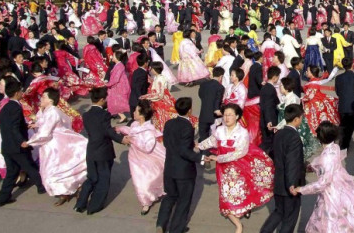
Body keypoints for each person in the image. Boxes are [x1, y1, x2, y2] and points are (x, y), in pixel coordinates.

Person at [293, 122, 354, 233]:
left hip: (330, 194)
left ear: (320, 137)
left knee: (329, 222)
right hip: (341, 188)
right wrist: (314, 167)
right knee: (341, 220)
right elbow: (331, 166)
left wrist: (301, 189)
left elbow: (322, 184)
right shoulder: (335, 147)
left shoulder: (326, 157)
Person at [200, 103, 275, 232]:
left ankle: (243, 213)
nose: (227, 117)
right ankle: (238, 224)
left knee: (241, 192)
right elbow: (211, 141)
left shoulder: (242, 133)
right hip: (222, 170)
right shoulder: (219, 130)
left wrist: (218, 158)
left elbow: (240, 152)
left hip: (238, 168)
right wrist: (198, 146)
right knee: (225, 197)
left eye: (230, 115)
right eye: (225, 115)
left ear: (237, 116)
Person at [26, 87, 88, 206]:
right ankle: (65, 192)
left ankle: (69, 190)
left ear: (50, 100)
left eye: (44, 97)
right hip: (52, 144)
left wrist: (29, 142)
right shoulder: (47, 110)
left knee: (54, 170)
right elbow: (44, 122)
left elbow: (45, 132)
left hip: (55, 145)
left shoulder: (53, 111)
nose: (41, 99)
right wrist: (36, 123)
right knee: (55, 170)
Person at [74, 87, 129, 215]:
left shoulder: (86, 115)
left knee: (92, 177)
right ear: (102, 100)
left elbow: (98, 130)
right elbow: (107, 131)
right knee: (103, 180)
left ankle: (80, 204)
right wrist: (122, 139)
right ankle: (94, 206)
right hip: (103, 151)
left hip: (91, 150)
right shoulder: (104, 115)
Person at [0, 77, 46, 207]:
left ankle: (2, 198)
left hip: (7, 146)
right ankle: (42, 187)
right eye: (21, 90)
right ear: (17, 93)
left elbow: (12, 125)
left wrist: (25, 125)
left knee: (12, 171)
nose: (22, 92)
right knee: (30, 166)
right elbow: (13, 128)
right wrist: (22, 141)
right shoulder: (16, 108)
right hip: (17, 146)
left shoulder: (5, 107)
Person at [260, 104, 306, 233]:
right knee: (289, 218)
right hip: (289, 185)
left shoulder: (279, 133)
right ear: (296, 119)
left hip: (279, 182)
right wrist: (292, 184)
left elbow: (273, 154)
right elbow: (291, 163)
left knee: (279, 212)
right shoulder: (294, 137)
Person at [157, 97, 200, 233]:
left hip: (169, 167)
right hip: (184, 171)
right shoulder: (188, 127)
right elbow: (184, 151)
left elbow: (167, 143)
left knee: (169, 196)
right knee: (183, 201)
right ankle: (176, 228)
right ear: (189, 110)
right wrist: (202, 158)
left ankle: (161, 224)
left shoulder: (169, 123)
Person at [116, 100, 166, 215]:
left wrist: (132, 139)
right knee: (139, 181)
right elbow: (132, 131)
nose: (133, 113)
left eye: (136, 111)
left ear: (142, 116)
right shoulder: (135, 124)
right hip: (135, 160)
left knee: (145, 181)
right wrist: (121, 129)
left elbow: (147, 147)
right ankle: (145, 202)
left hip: (146, 160)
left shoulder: (149, 131)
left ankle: (146, 202)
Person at [273, 76, 321, 161]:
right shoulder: (286, 97)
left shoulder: (293, 99)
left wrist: (278, 126)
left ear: (286, 88)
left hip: (294, 125)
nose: (280, 87)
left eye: (281, 86)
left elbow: (289, 116)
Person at [334, 58, 354, 150]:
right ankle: (344, 145)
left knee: (343, 124)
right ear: (352, 65)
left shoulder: (338, 78)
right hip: (353, 106)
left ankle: (340, 141)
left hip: (342, 105)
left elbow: (338, 92)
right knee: (350, 126)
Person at [259, 66, 281, 156]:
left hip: (265, 119)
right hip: (270, 120)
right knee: (269, 144)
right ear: (275, 77)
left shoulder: (265, 87)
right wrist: (269, 121)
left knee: (268, 143)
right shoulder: (270, 89)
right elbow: (268, 106)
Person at [106, 49, 130, 123]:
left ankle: (122, 116)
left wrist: (108, 84)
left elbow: (116, 78)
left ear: (117, 57)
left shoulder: (119, 66)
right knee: (116, 101)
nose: (111, 57)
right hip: (117, 86)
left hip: (119, 87)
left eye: (113, 55)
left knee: (117, 101)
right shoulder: (118, 65)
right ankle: (121, 116)